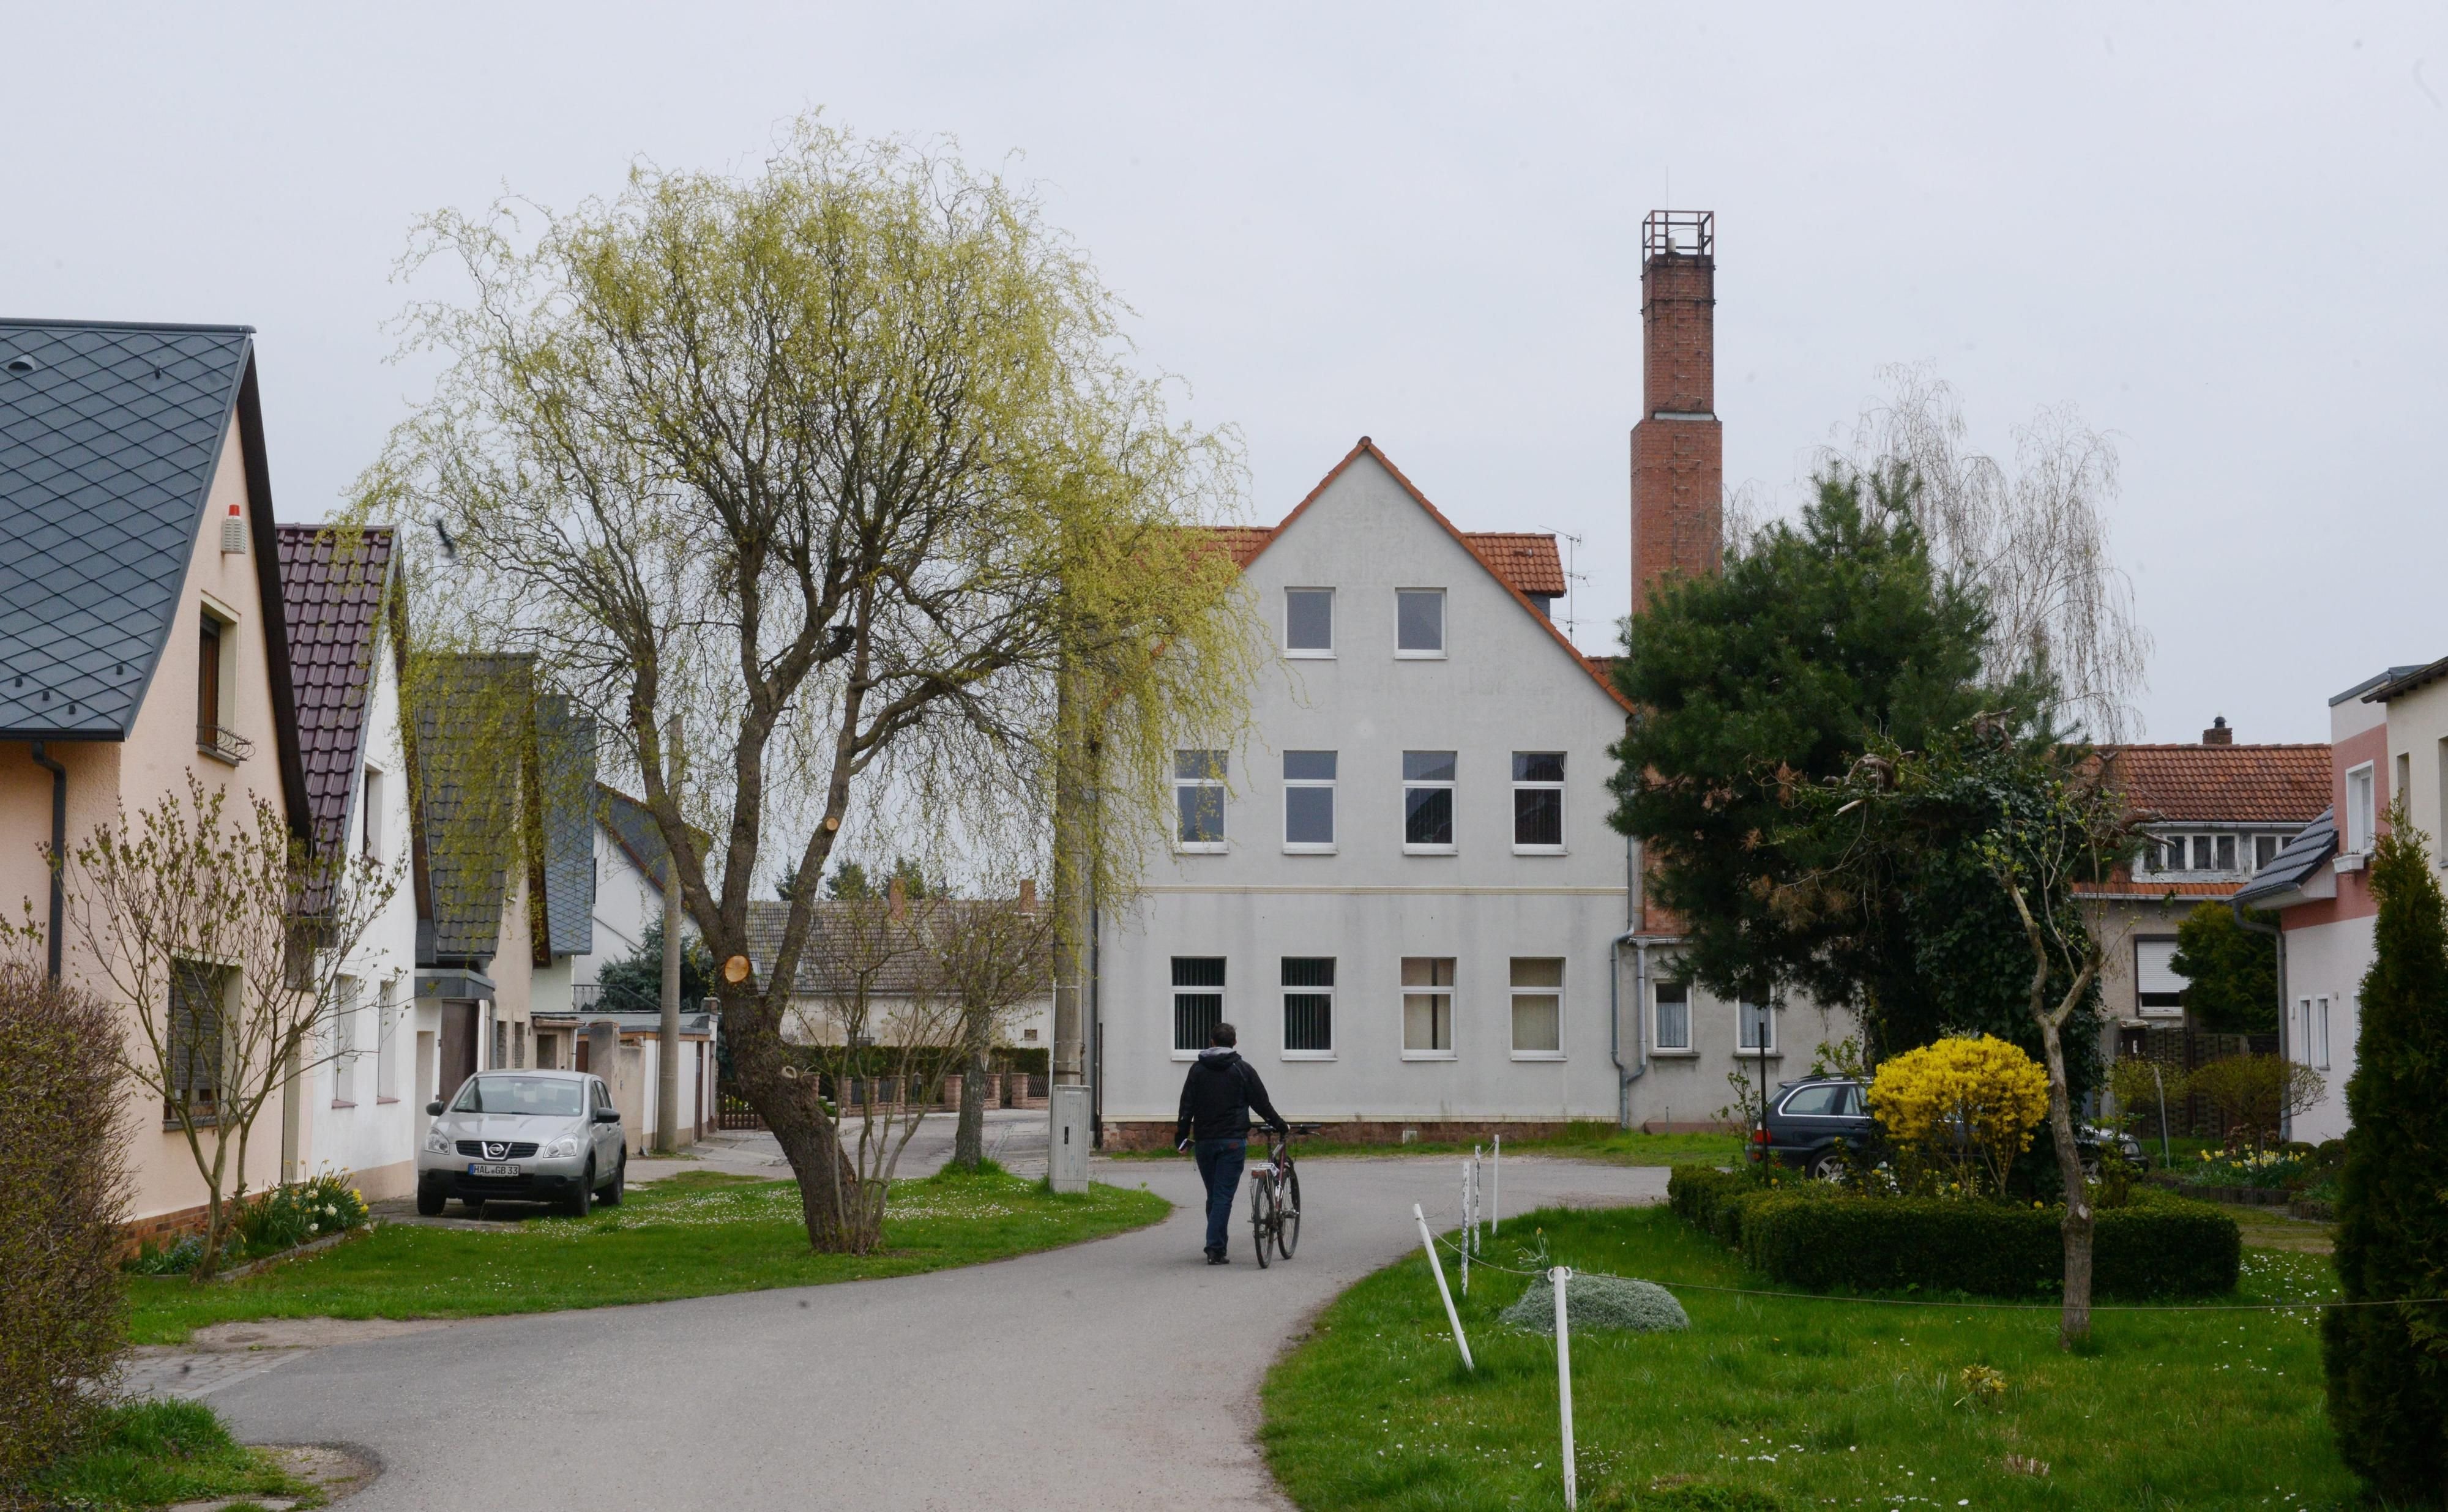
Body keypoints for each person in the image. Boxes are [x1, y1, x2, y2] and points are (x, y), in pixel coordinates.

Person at [1174, 1021, 1287, 1264]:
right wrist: (1280, 1125)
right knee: (1223, 1195)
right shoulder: (1242, 1069)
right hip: (1232, 1141)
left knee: (1214, 1195)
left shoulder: (1197, 1071)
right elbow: (1261, 1103)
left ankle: (1218, 1245)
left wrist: (1181, 1138)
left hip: (1204, 1141)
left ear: (1212, 1042)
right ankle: (1214, 1248)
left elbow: (1186, 1107)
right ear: (1234, 1043)